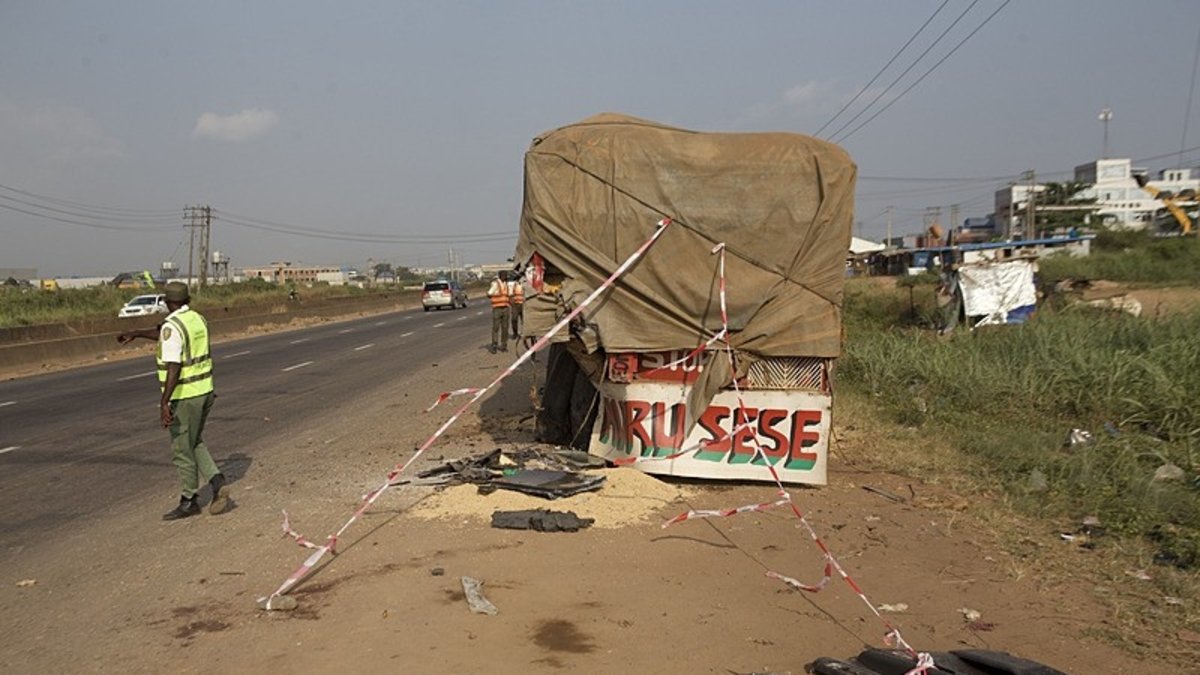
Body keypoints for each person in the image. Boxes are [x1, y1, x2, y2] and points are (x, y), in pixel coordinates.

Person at [117, 282, 230, 520]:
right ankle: (217, 481)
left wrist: (164, 402)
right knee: (194, 441)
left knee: (181, 448)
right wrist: (136, 333)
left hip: (185, 396)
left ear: (167, 303)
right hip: (205, 391)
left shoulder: (172, 326)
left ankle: (189, 500)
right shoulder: (197, 319)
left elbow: (174, 365)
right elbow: (164, 334)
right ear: (187, 300)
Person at [487, 271, 510, 353]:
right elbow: (489, 294)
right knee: (496, 328)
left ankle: (504, 345)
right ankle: (494, 345)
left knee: (505, 328)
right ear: (500, 276)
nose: (505, 276)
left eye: (506, 275)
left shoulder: (506, 284)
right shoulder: (495, 284)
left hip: (505, 308)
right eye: (504, 275)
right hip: (497, 309)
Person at [508, 268, 525, 340]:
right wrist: (512, 303)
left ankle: (525, 333)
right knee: (514, 319)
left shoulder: (524, 283)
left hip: (524, 304)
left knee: (524, 320)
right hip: (516, 304)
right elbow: (510, 295)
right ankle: (515, 333)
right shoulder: (513, 285)